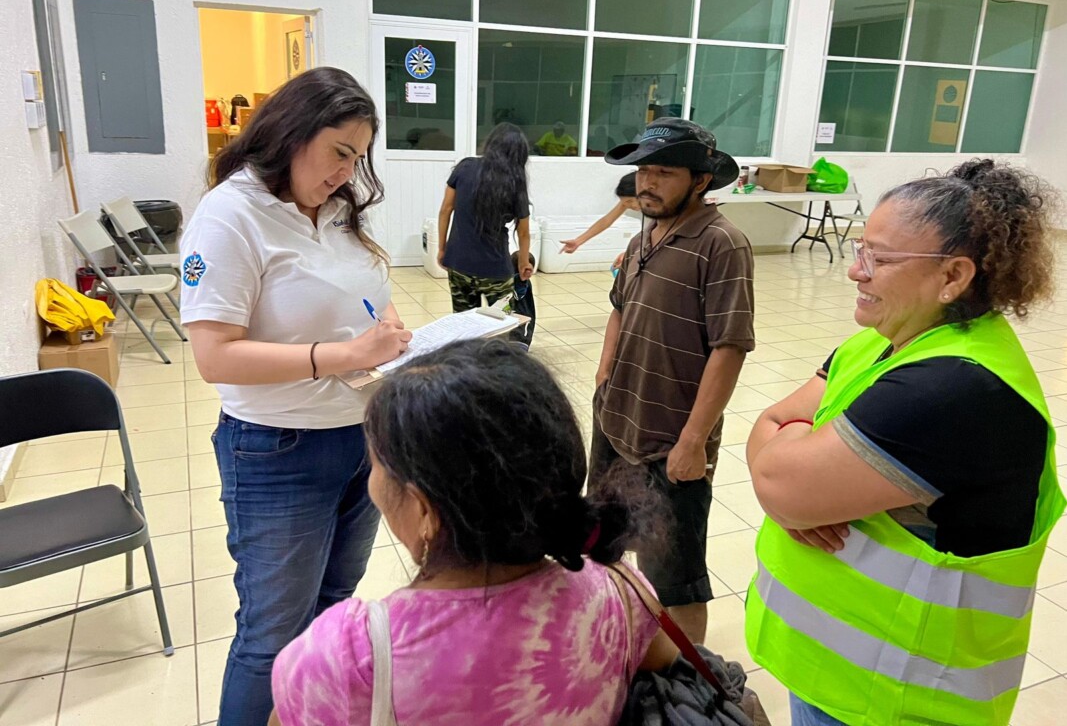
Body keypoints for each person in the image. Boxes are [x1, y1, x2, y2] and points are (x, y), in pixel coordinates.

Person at [745, 160, 1065, 726]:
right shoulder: (877, 346)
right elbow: (769, 425)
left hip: (900, 699)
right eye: (860, 249)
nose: (855, 272)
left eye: (880, 258)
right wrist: (790, 477)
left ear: (953, 277)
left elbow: (777, 476)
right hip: (841, 675)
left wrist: (791, 481)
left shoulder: (954, 389)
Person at [268, 340, 678, 726]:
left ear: (423, 508)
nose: (371, 479)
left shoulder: (349, 657)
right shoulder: (623, 593)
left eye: (375, 462)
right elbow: (664, 680)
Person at [179, 67, 413, 726]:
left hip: (363, 438)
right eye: (339, 152)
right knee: (273, 633)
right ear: (291, 132)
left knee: (335, 607)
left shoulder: (337, 210)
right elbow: (213, 355)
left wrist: (389, 331)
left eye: (359, 158)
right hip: (276, 451)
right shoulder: (230, 215)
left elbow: (367, 289)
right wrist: (342, 355)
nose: (347, 172)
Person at [592, 118, 755, 644]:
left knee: (677, 580)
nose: (648, 183)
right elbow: (619, 310)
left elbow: (730, 347)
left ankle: (688, 684)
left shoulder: (721, 243)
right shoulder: (645, 234)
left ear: (700, 180)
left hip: (672, 442)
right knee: (609, 542)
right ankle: (627, 642)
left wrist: (692, 441)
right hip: (616, 422)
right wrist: (603, 378)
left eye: (663, 172)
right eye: (644, 171)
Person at [437, 122, 534, 312]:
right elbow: (524, 233)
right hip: (495, 269)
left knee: (463, 324)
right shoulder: (516, 183)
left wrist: (442, 249)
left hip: (459, 263)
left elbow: (446, 209)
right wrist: (524, 262)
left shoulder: (465, 167)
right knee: (501, 324)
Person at [559, 171, 639, 263]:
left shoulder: (657, 206)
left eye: (629, 201)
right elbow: (607, 220)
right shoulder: (629, 202)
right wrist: (578, 241)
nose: (627, 205)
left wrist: (632, 253)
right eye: (624, 202)